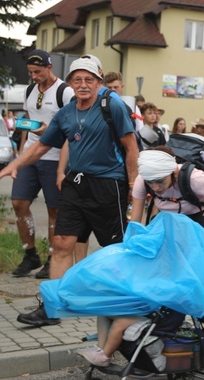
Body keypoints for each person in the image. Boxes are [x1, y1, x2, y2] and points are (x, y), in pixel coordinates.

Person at [2, 57, 139, 328]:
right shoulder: (65, 114)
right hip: (76, 185)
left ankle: (126, 302)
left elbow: (131, 147)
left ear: (98, 82)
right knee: (63, 242)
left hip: (108, 185)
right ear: (70, 83)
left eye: (89, 79)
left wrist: (133, 186)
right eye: (77, 79)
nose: (83, 84)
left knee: (115, 248)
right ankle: (52, 307)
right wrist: (15, 164)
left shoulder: (112, 105)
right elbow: (41, 147)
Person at [11, 50, 75, 279]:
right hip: (31, 155)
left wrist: (61, 168)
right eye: (31, 73)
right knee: (19, 203)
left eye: (38, 72)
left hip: (55, 157)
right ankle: (30, 254)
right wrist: (19, 159)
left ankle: (52, 258)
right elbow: (27, 126)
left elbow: (71, 130)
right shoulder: (30, 90)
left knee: (54, 211)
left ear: (49, 67)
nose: (34, 76)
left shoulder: (64, 92)